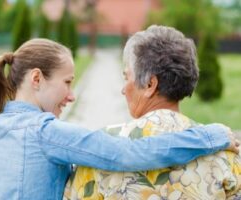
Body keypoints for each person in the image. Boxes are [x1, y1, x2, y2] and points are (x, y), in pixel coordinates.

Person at [0, 38, 238, 200]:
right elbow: (131, 153)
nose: (71, 96)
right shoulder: (44, 132)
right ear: (36, 78)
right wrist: (210, 136)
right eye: (67, 82)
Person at [64, 25, 241, 199]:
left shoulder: (102, 150)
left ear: (150, 84)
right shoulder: (225, 152)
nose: (123, 90)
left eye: (126, 77)